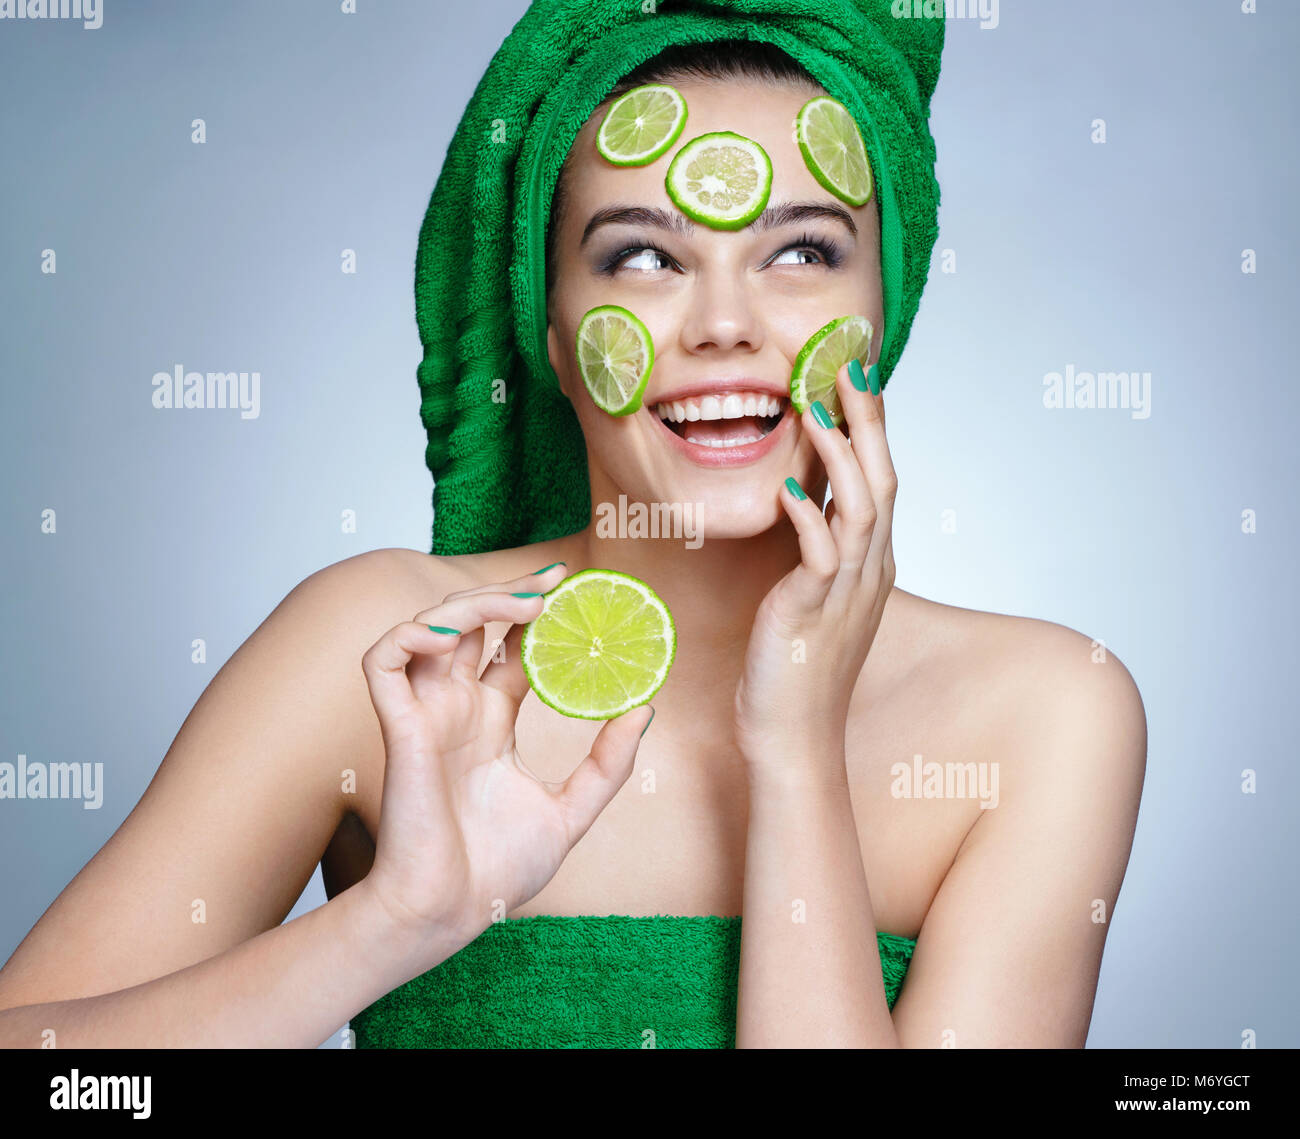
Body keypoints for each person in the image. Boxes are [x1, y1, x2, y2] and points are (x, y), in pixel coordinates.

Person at [0, 3, 1146, 1049]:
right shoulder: (395, 654)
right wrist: (394, 923)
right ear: (546, 329)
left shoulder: (1046, 711)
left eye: (800, 251)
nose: (725, 324)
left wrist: (795, 754)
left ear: (879, 309)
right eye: (642, 256)